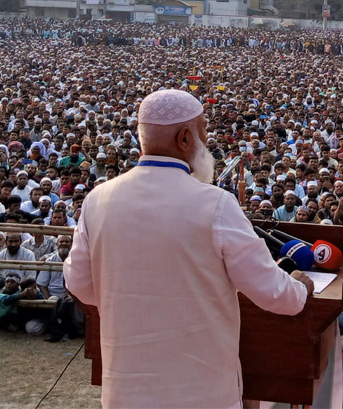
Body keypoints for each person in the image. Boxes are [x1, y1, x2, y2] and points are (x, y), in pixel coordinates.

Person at [63, 89, 312, 408]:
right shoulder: (216, 203)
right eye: (203, 131)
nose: (206, 141)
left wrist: (133, 302)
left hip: (126, 392)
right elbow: (272, 292)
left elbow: (79, 284)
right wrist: (300, 289)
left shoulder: (98, 199)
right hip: (202, 393)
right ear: (184, 138)